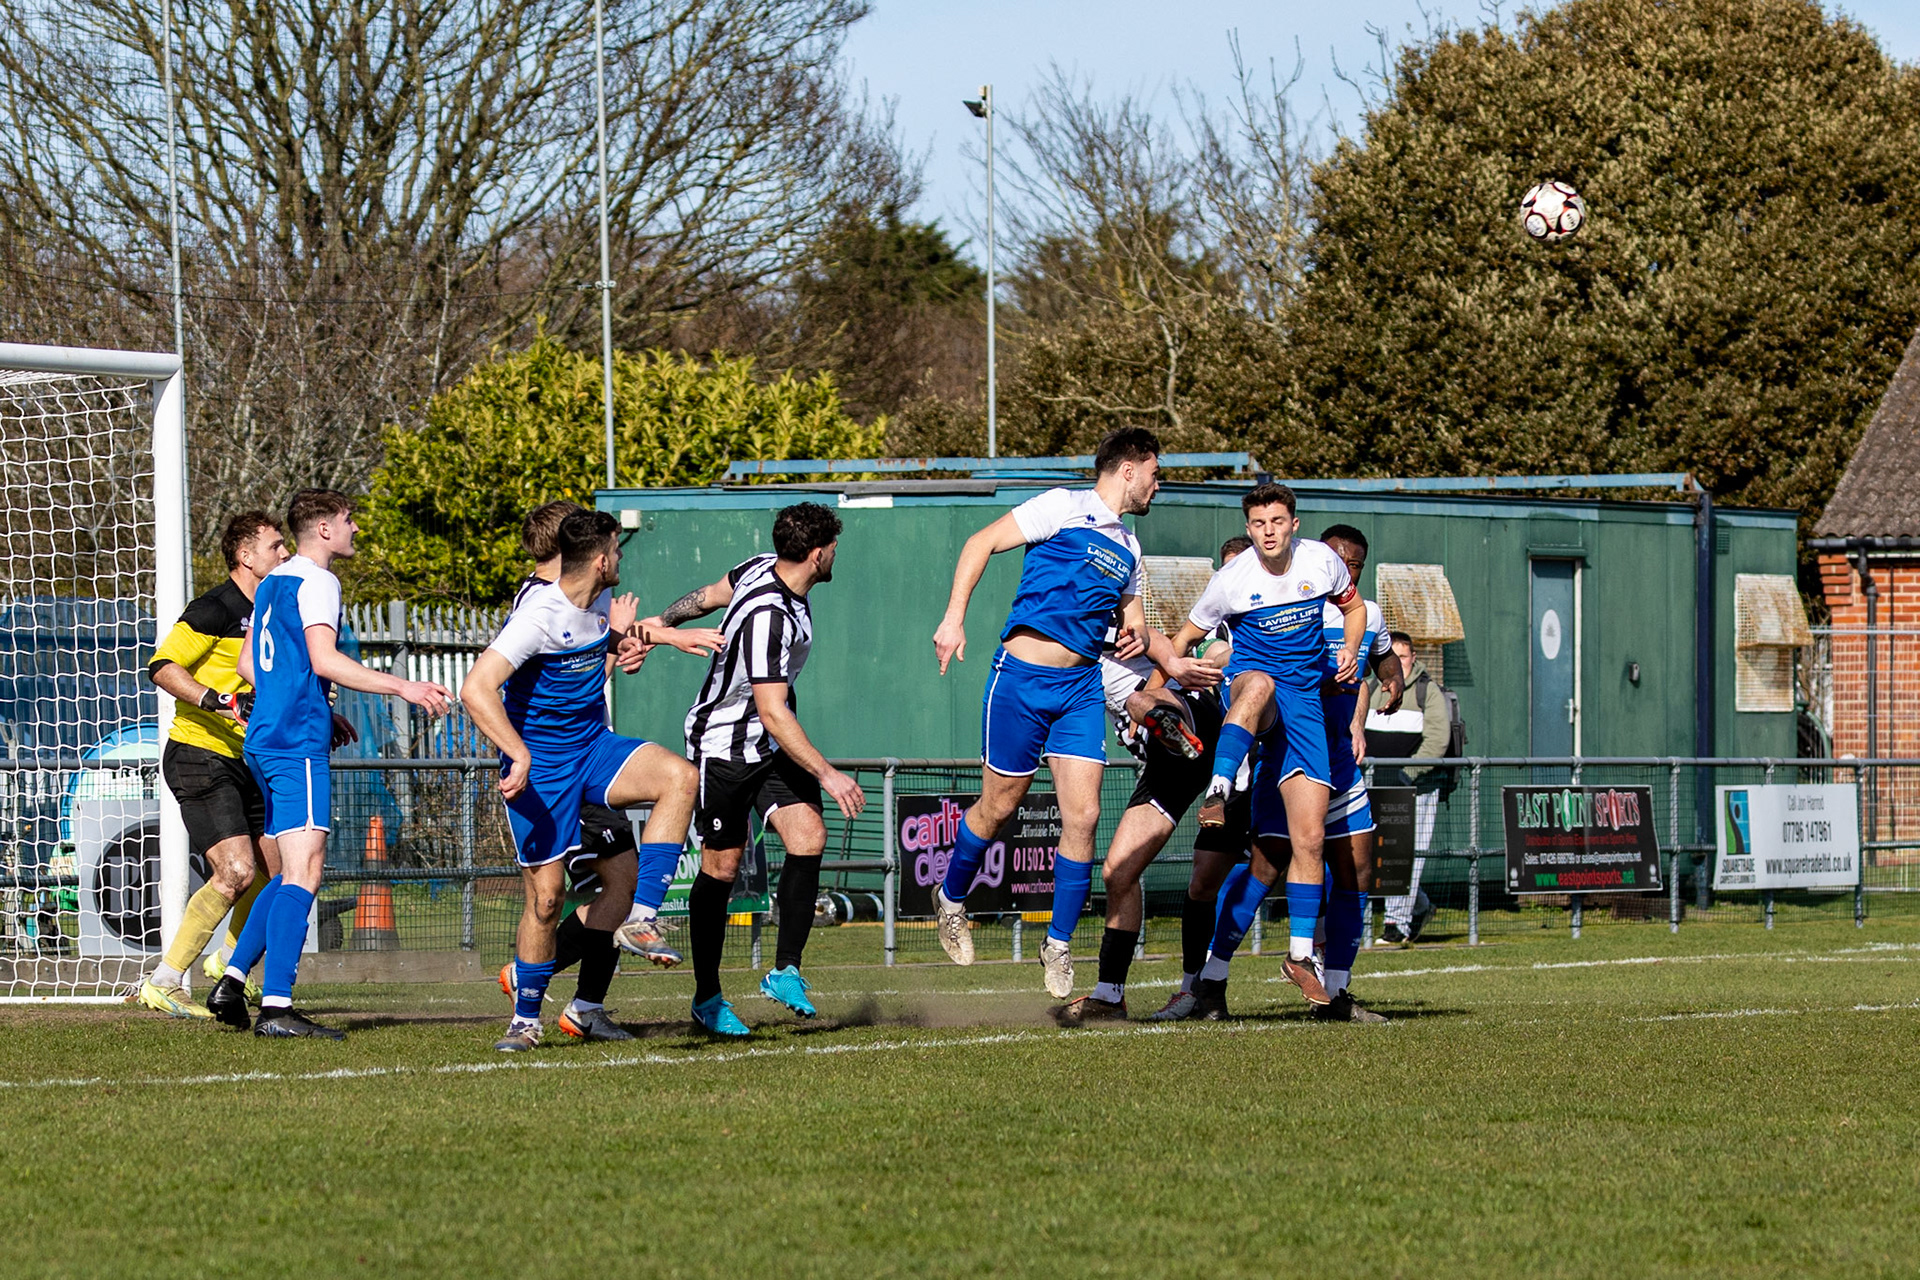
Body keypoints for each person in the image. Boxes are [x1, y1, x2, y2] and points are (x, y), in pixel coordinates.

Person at [929, 429, 1217, 998]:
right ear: (1129, 469)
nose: (1158, 484)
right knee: (999, 806)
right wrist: (953, 618)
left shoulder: (1130, 548)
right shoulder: (1064, 506)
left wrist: (1154, 649)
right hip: (1020, 679)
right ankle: (951, 898)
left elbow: (1133, 625)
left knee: (1083, 817)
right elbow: (979, 543)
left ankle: (1058, 944)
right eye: (1155, 473)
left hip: (1081, 687)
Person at [206, 490, 452, 1038]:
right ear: (323, 528)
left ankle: (232, 980)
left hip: (266, 738)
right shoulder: (318, 580)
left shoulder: (273, 581)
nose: (355, 528)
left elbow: (248, 664)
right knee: (306, 873)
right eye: (348, 519)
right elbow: (323, 658)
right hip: (294, 743)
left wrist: (310, 703)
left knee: (286, 873)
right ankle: (277, 1008)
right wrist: (404, 686)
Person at [462, 510, 701, 1052]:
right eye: (617, 551)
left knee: (679, 777)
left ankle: (641, 920)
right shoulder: (538, 614)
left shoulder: (594, 599)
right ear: (599, 561)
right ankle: (525, 1021)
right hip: (543, 766)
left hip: (592, 747)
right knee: (547, 900)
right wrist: (517, 753)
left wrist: (645, 640)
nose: (621, 559)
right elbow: (476, 688)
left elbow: (600, 636)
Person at [644, 502, 862, 1036]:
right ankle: (707, 998)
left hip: (769, 741)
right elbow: (771, 710)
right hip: (726, 745)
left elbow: (706, 595)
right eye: (834, 547)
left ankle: (785, 970)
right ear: (817, 554)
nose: (837, 554)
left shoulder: (763, 563)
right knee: (721, 867)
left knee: (808, 835)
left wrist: (662, 623)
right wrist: (829, 774)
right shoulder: (772, 617)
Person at [1190, 524, 1402, 1022]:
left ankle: (1337, 992)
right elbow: (1230, 651)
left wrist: (1392, 682)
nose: (1344, 568)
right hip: (1289, 758)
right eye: (1337, 558)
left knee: (1356, 872)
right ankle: (1212, 980)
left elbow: (1385, 660)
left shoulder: (1366, 615)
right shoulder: (1291, 609)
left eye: (1354, 563)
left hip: (1340, 766)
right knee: (1265, 867)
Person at [1169, 485, 1365, 1006]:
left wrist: (1350, 647)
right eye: (1258, 523)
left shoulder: (1322, 562)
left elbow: (1356, 610)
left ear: (1294, 524)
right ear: (1249, 528)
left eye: (1277, 521)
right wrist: (1161, 686)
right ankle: (1219, 786)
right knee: (1257, 684)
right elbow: (1183, 640)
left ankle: (1300, 956)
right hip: (1254, 693)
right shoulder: (1231, 579)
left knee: (1309, 841)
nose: (1268, 531)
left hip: (1305, 710)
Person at [1054, 537, 1245, 1024]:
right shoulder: (1056, 652)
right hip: (1167, 763)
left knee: (1142, 701)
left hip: (1197, 721)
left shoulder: (1109, 623)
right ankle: (1110, 995)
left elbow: (1168, 641)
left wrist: (1171, 672)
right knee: (1118, 871)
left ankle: (1323, 967)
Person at [134, 511, 293, 1017]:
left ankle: (228, 961)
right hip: (200, 753)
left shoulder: (275, 610)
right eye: (275, 546)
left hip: (252, 757)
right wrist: (219, 700)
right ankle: (164, 980)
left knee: (279, 872)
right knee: (236, 870)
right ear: (246, 556)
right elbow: (162, 666)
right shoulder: (215, 607)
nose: (285, 553)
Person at [1367, 631, 1450, 945]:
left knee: (1405, 855)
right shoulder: (1370, 688)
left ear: (1413, 658)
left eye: (1403, 656)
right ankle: (1420, 906)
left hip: (1415, 789)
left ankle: (1396, 925)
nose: (1398, 662)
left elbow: (1438, 740)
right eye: (1392, 656)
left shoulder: (1428, 691)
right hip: (1374, 788)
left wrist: (1408, 773)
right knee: (1378, 854)